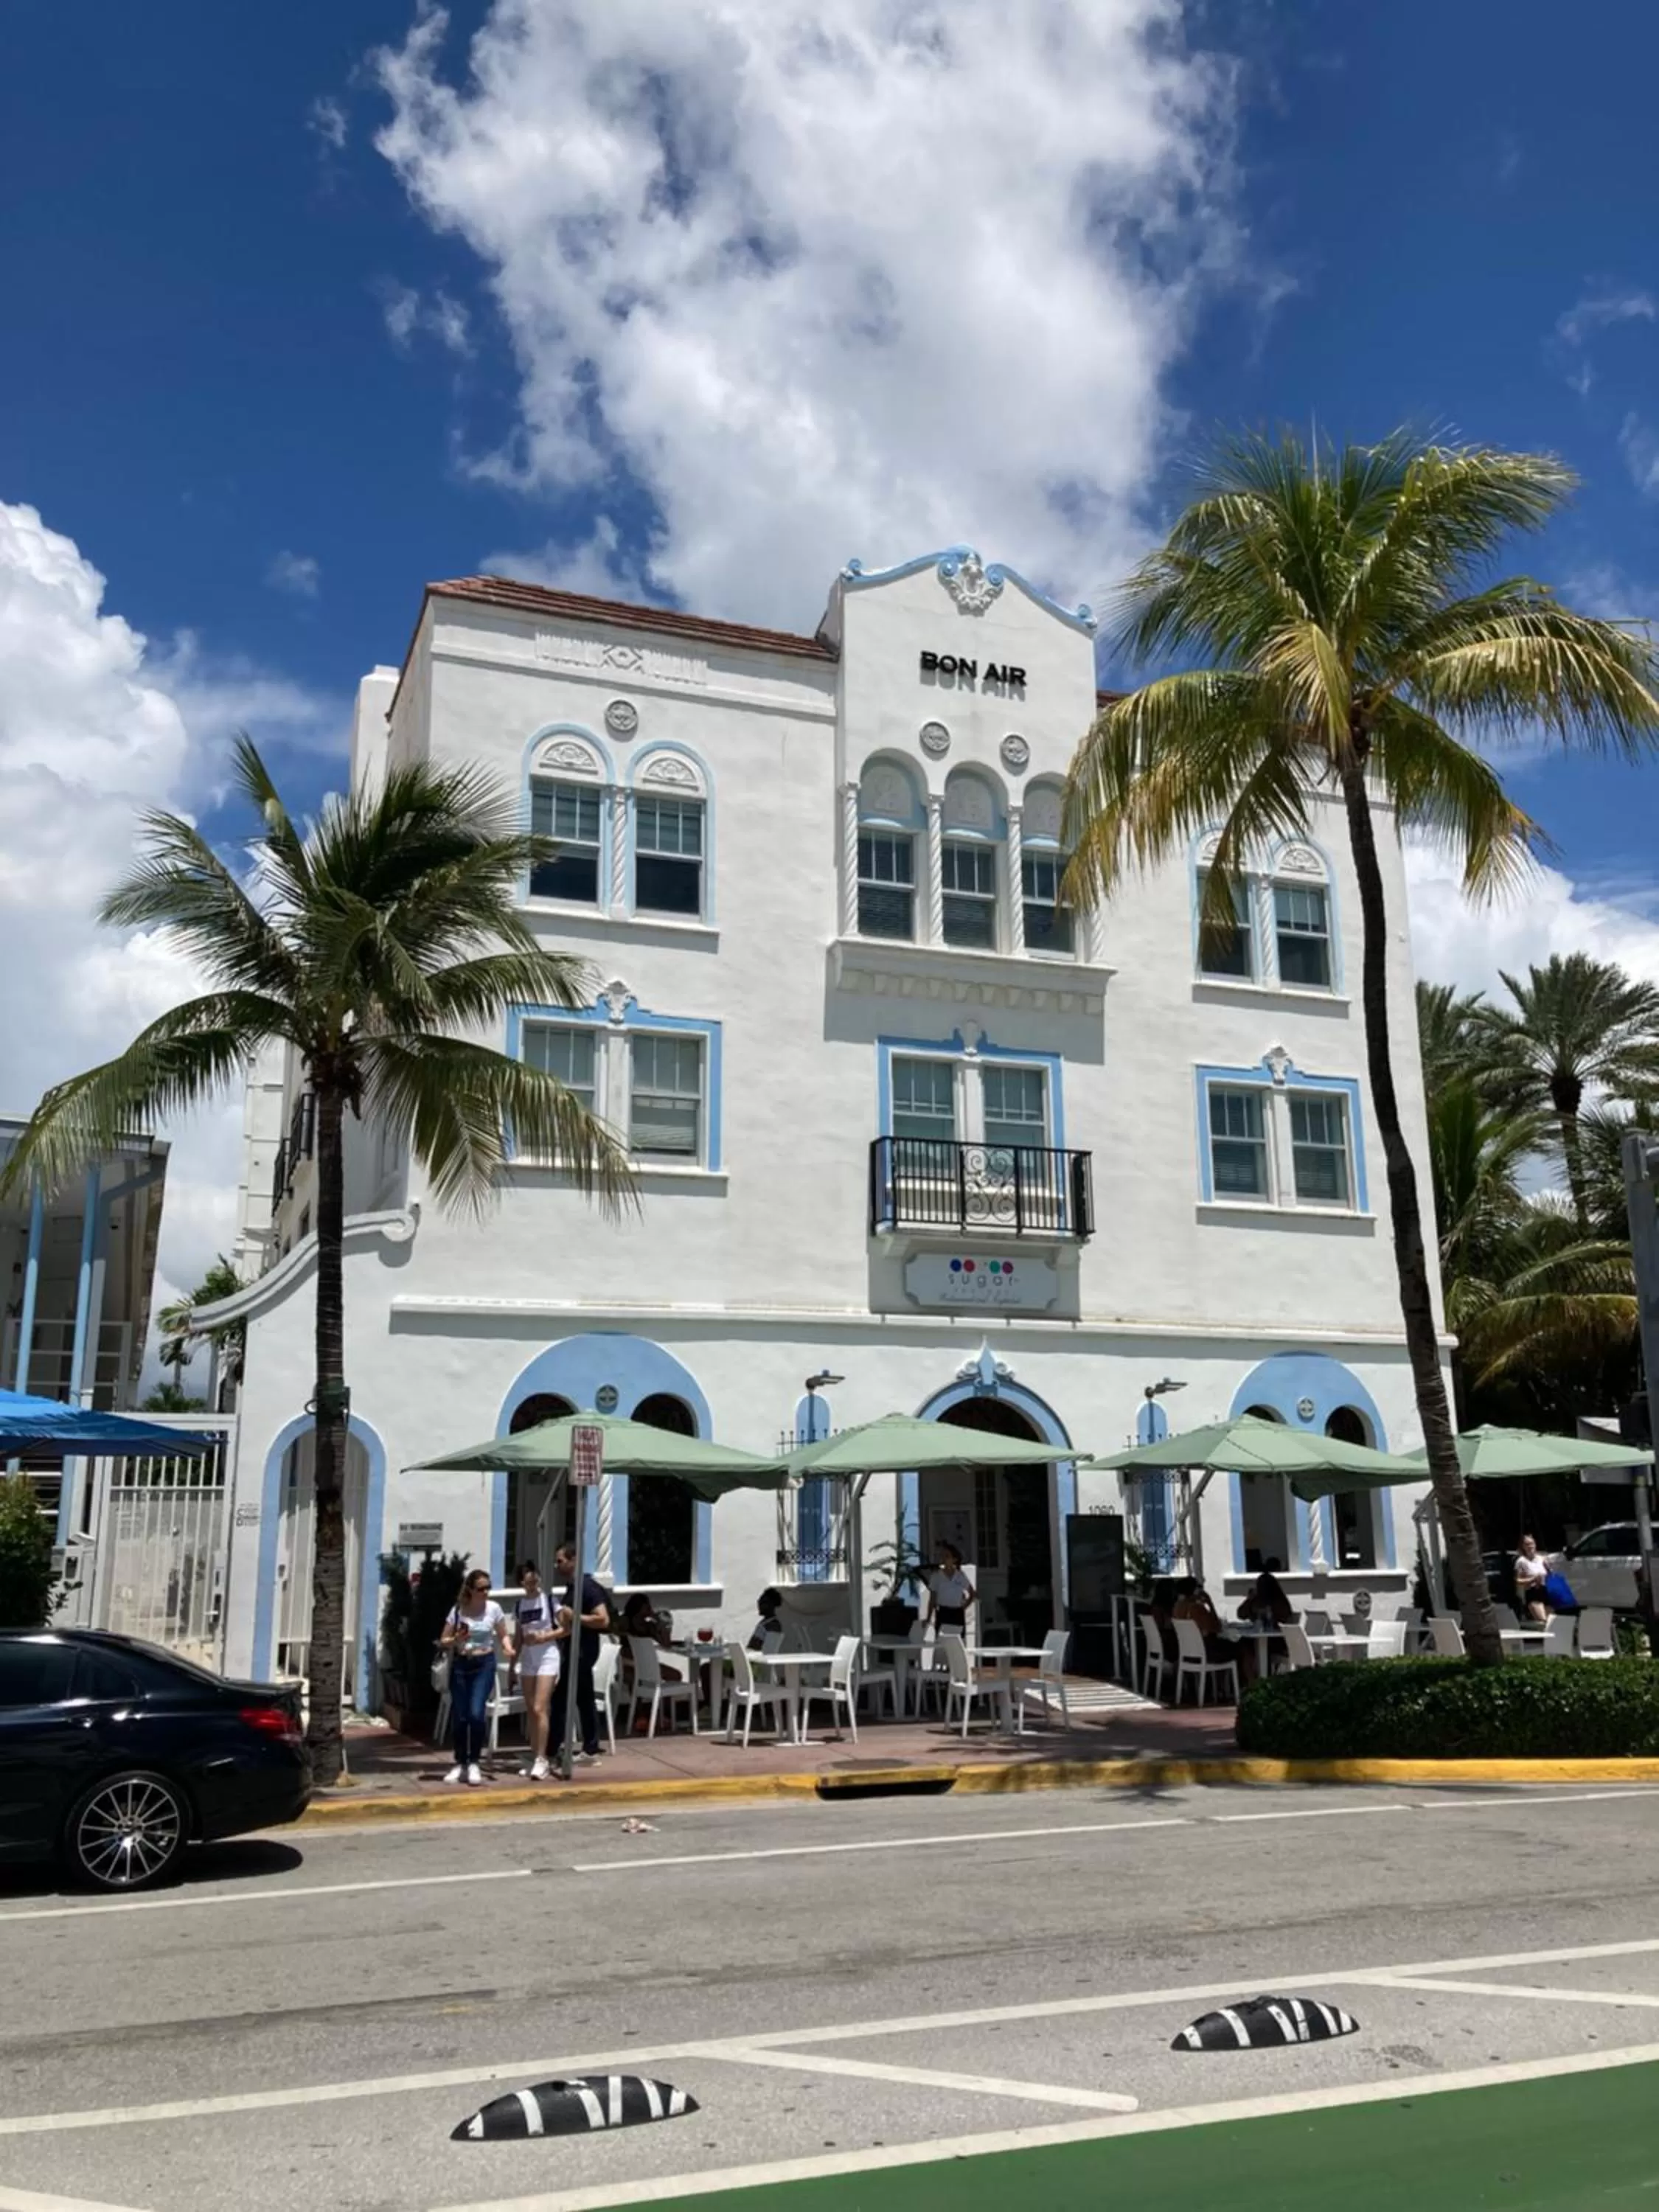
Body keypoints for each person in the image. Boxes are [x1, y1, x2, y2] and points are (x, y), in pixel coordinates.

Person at [439, 1568, 511, 1786]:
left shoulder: (494, 1609)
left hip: (484, 1664)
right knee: (460, 1716)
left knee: (476, 1713)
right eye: (481, 1589)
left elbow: (503, 1633)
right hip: (462, 1664)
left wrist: (507, 1647)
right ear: (470, 1589)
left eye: (488, 1587)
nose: (486, 1592)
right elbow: (443, 1640)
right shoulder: (459, 1610)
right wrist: (456, 1638)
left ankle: (474, 1762)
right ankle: (460, 1761)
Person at [550, 1540, 612, 1766]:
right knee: (582, 1699)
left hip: (582, 1652)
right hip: (573, 1650)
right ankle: (589, 1747)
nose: (557, 1566)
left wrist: (574, 1615)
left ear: (574, 1560)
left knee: (561, 1700)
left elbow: (603, 1619)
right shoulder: (573, 1587)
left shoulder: (587, 1588)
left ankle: (553, 1747)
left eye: (560, 1561)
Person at [510, 1560, 560, 1781]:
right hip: (529, 1659)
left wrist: (543, 1637)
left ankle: (543, 1758)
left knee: (541, 1707)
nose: (532, 1584)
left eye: (534, 1579)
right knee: (531, 1709)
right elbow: (518, 1637)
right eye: (527, 1581)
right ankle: (534, 1755)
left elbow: (564, 1630)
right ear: (521, 1583)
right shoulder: (520, 1605)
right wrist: (512, 1666)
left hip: (548, 1655)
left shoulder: (550, 1601)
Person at [925, 1542, 976, 1637]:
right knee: (941, 1641)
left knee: (958, 1641)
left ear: (954, 1559)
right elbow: (932, 1599)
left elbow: (972, 1593)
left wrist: (964, 1606)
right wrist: (928, 1618)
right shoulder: (936, 1576)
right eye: (943, 1556)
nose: (944, 1559)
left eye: (947, 1556)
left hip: (957, 1613)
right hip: (943, 1612)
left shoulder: (960, 1576)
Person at [1237, 1558, 1295, 1630]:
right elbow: (1241, 1615)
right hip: (1258, 1634)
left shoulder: (1279, 1601)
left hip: (1277, 1636)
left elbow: (1283, 1620)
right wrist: (1249, 1600)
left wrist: (1268, 1612)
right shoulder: (1256, 1599)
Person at [1514, 1534, 1550, 1621]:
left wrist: (1548, 1569)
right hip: (1533, 1592)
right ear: (1523, 1547)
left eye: (1532, 1543)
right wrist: (1533, 1579)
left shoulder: (1541, 1559)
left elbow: (1549, 1575)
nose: (1530, 1546)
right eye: (1527, 1544)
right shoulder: (1521, 1561)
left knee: (1551, 1622)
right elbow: (1518, 1580)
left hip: (1545, 1591)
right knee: (1543, 1620)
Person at [747, 1586, 785, 1651]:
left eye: (764, 1603)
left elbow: (769, 1651)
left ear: (772, 1605)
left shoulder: (773, 1626)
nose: (759, 1605)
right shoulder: (765, 1623)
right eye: (759, 1602)